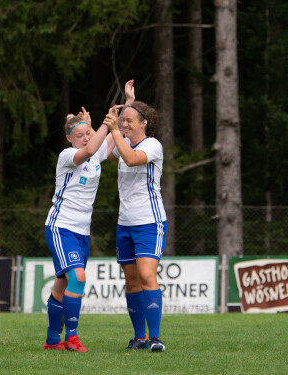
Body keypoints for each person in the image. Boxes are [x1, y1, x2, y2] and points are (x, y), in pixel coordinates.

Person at [44, 107, 115, 352]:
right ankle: (71, 337)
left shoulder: (94, 156)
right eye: (80, 135)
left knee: (61, 285)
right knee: (78, 277)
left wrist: (127, 103)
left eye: (88, 133)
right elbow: (92, 148)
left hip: (81, 232)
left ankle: (52, 340)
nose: (85, 138)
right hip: (61, 226)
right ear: (69, 138)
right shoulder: (67, 155)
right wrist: (106, 122)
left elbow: (111, 140)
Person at [103, 81, 167, 352]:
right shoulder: (122, 140)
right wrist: (123, 108)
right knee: (131, 280)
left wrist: (117, 128)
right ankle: (139, 337)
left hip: (150, 223)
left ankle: (155, 338)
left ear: (144, 124)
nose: (124, 124)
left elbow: (130, 158)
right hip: (125, 223)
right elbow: (106, 152)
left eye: (129, 121)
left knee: (145, 275)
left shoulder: (152, 145)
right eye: (123, 121)